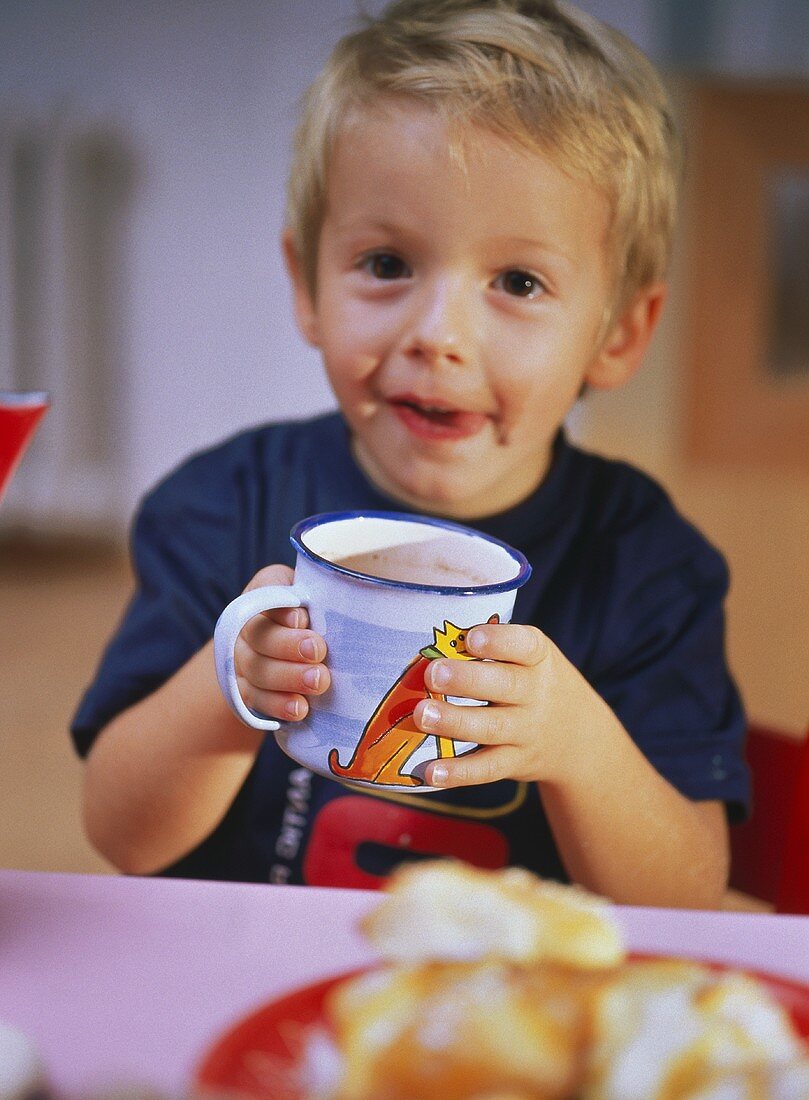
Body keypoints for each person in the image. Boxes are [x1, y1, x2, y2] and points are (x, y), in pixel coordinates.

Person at [72, 0, 749, 906]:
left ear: (618, 334)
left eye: (517, 282)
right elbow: (122, 837)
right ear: (306, 285)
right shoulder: (219, 503)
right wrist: (226, 686)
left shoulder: (648, 565)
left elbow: (688, 897)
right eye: (388, 264)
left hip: (509, 1015)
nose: (439, 336)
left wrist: (579, 745)